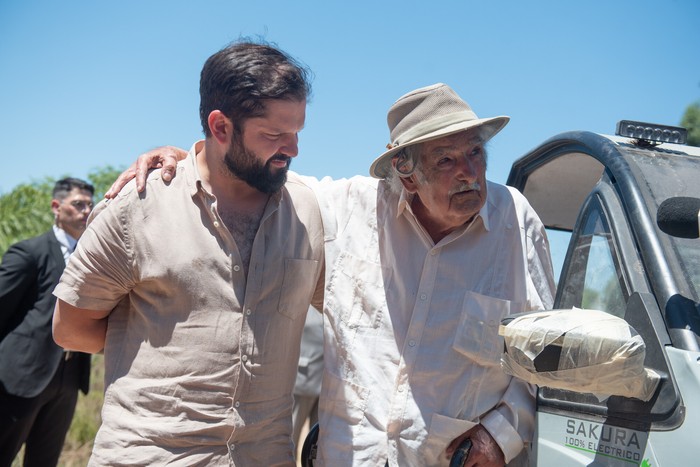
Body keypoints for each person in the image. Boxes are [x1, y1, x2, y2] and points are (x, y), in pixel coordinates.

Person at [111, 83, 556, 466]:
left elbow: (544, 351)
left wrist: (501, 434)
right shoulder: (344, 209)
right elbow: (247, 174)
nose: (469, 173)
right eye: (445, 160)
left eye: (475, 152)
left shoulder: (516, 221)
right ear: (405, 170)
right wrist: (192, 158)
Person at [52, 41, 325, 466]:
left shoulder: (308, 211)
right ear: (220, 127)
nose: (292, 149)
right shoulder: (138, 207)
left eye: (296, 132)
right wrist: (158, 342)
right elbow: (71, 328)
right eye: (274, 135)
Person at [0, 177, 93, 467]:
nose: (86, 211)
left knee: (44, 462)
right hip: (22, 376)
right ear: (56, 206)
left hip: (68, 379)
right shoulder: (30, 252)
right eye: (78, 204)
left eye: (90, 205)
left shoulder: (92, 258)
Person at [292, 306, 323, 456]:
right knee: (290, 437)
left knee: (318, 443)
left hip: (327, 383)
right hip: (303, 378)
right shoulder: (307, 303)